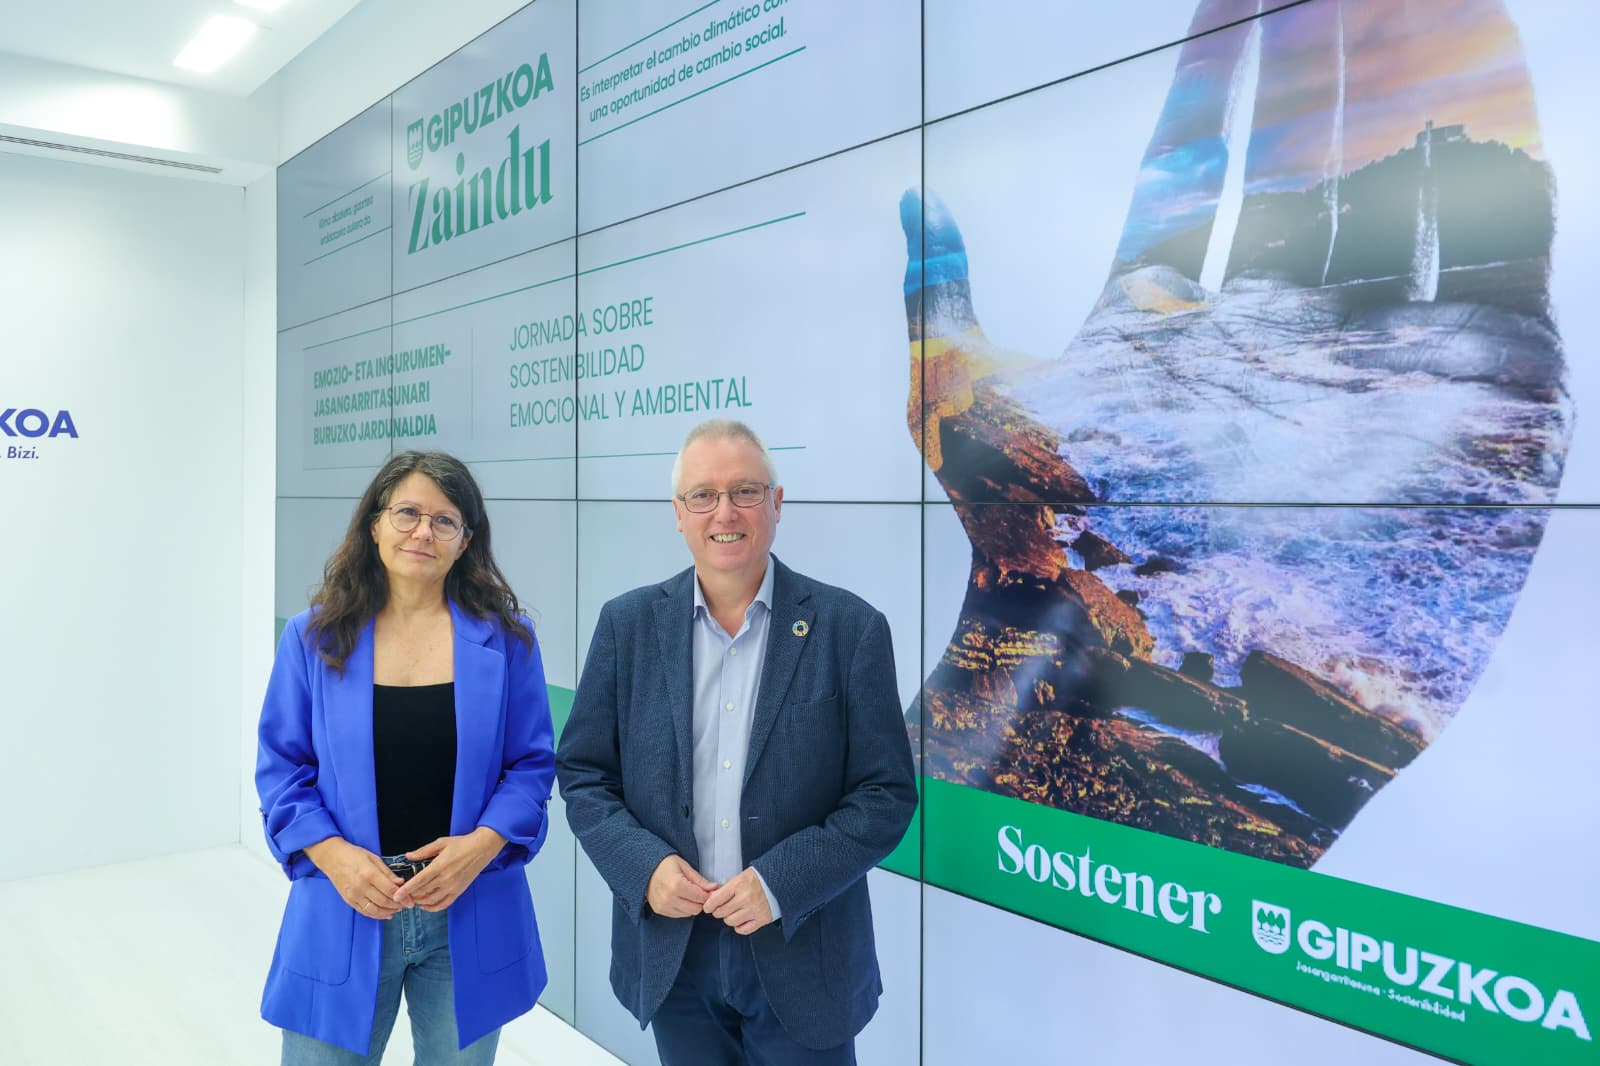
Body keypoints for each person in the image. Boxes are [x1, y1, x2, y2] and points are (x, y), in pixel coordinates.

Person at [556, 418, 918, 1065]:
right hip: (674, 954)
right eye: (704, 495)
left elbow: (885, 795)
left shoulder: (850, 629)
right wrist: (646, 868)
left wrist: (781, 881)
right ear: (679, 513)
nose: (725, 511)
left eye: (745, 491)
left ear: (777, 504)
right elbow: (584, 776)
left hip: (803, 948)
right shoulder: (626, 626)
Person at [256, 451, 555, 1064]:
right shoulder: (314, 639)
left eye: (444, 521)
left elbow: (530, 766)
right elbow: (283, 771)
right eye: (408, 513)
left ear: (465, 541)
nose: (423, 531)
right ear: (374, 524)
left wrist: (480, 846)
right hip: (345, 902)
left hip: (468, 906)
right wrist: (335, 858)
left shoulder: (508, 641)